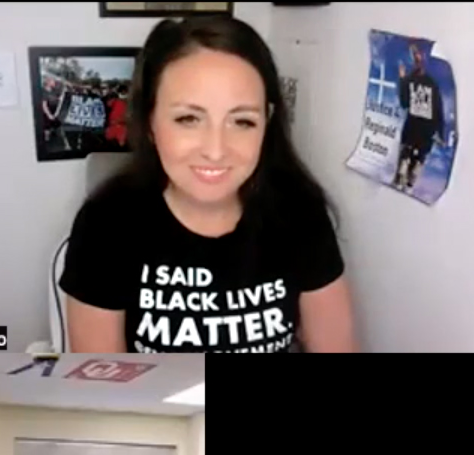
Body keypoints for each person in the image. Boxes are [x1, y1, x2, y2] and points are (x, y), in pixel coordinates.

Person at [58, 16, 356, 353]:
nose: (216, 150)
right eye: (188, 119)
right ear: (150, 122)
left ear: (267, 123)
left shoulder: (299, 212)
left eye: (242, 121)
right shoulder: (106, 224)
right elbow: (102, 379)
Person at [393, 40, 445, 191]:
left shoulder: (414, 80)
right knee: (418, 156)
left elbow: (404, 103)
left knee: (409, 152)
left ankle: (405, 173)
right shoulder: (431, 83)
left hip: (415, 125)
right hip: (425, 127)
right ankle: (410, 176)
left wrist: (402, 80)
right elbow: (438, 110)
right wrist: (440, 133)